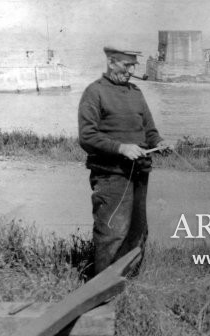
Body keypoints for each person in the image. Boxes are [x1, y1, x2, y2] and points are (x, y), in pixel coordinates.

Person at [78, 46, 172, 277]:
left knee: (137, 232)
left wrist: (159, 142)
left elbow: (149, 129)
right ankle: (102, 292)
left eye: (133, 66)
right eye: (126, 65)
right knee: (112, 232)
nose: (131, 70)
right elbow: (87, 136)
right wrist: (121, 147)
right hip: (111, 173)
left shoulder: (136, 93)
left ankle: (127, 285)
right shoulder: (94, 92)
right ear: (111, 62)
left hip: (140, 171)